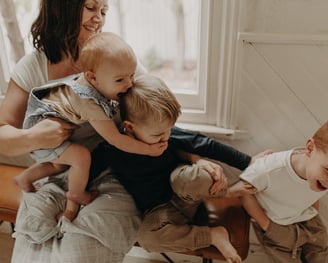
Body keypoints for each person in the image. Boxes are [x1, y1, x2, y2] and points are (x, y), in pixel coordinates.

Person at [0, 1, 266, 262]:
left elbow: (155, 122)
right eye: (91, 8)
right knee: (32, 234)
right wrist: (32, 137)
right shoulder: (33, 66)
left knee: (77, 251)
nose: (99, 18)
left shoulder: (117, 62)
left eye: (103, 11)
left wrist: (195, 158)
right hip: (59, 170)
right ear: (62, 7)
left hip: (116, 173)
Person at [90, 74, 257, 263]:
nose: (166, 138)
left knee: (200, 176)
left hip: (184, 191)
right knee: (148, 239)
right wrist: (74, 197)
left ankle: (227, 192)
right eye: (159, 135)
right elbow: (88, 169)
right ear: (129, 127)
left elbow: (205, 144)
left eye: (170, 130)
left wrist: (249, 162)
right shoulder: (112, 149)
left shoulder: (166, 133)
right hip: (160, 211)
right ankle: (212, 235)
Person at [13, 32, 166, 221]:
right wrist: (148, 150)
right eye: (120, 80)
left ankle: (26, 178)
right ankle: (76, 196)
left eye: (132, 75)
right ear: (92, 78)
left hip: (44, 127)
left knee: (59, 164)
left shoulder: (96, 80)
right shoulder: (89, 102)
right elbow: (115, 139)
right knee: (81, 157)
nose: (129, 84)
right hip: (42, 131)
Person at [229, 121, 328, 262]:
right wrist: (266, 225)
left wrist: (314, 211)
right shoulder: (270, 168)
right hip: (276, 225)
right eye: (327, 170)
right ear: (310, 148)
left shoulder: (318, 170)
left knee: (320, 256)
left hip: (309, 219)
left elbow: (311, 191)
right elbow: (243, 193)